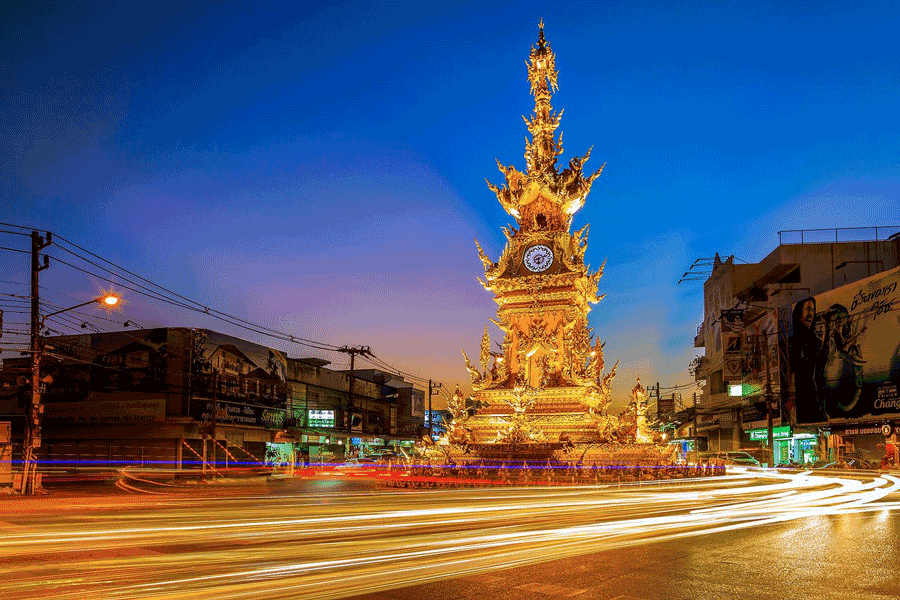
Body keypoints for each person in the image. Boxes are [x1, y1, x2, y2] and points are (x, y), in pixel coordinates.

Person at [791, 297, 827, 423]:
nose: (811, 313)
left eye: (813, 310)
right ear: (799, 313)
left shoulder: (814, 339)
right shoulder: (795, 341)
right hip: (803, 395)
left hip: (812, 393)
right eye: (808, 309)